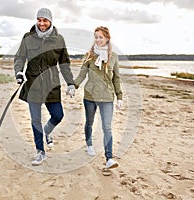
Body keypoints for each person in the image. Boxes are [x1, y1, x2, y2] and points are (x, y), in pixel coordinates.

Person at [14, 8, 75, 166]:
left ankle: (47, 132)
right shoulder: (28, 38)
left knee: (58, 115)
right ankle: (40, 151)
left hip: (52, 84)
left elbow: (64, 64)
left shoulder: (59, 40)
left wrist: (70, 83)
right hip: (33, 83)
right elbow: (20, 57)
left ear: (50, 22)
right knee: (35, 119)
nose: (41, 23)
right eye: (39, 20)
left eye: (45, 20)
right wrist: (19, 72)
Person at [74, 26, 123, 170]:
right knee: (89, 122)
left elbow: (117, 78)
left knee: (107, 127)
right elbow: (82, 73)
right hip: (90, 95)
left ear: (107, 38)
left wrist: (119, 96)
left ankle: (109, 158)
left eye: (101, 37)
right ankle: (89, 145)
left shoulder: (113, 57)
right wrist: (74, 86)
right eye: (96, 37)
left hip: (107, 97)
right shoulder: (89, 55)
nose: (98, 40)